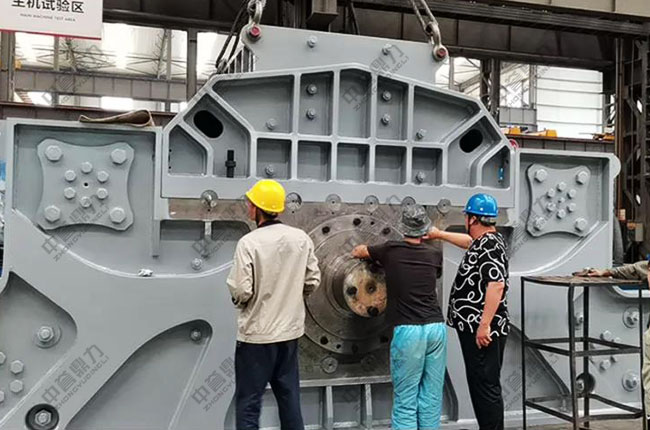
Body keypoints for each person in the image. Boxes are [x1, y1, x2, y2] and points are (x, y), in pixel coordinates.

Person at [226, 179, 321, 430]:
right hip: (289, 334)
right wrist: (291, 295)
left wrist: (241, 301)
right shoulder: (300, 238)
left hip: (257, 337)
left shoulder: (249, 243)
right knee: (290, 399)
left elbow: (241, 290)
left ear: (257, 208)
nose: (248, 207)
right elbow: (313, 280)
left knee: (249, 403)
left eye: (250, 203)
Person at [351, 204, 447, 430]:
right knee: (432, 395)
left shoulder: (390, 250)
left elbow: (359, 251)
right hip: (436, 328)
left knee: (406, 398)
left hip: (409, 331)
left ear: (402, 227)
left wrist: (369, 257)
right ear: (425, 229)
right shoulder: (434, 255)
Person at [426, 193, 510, 430]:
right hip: (476, 328)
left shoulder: (489, 245)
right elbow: (467, 242)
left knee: (486, 385)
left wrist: (484, 326)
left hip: (482, 331)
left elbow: (496, 284)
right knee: (480, 383)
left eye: (467, 217)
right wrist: (439, 234)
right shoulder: (486, 241)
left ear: (472, 219)